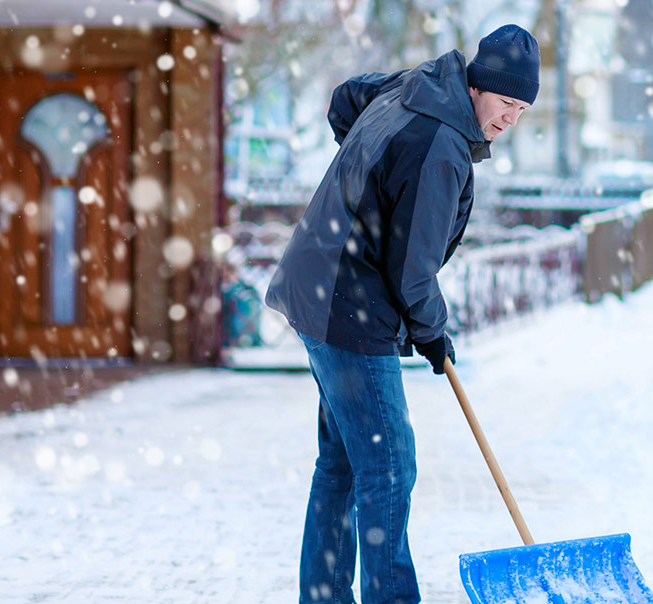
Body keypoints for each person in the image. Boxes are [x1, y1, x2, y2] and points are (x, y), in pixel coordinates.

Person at [264, 24, 539, 604]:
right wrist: (433, 334)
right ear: (478, 86)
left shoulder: (417, 87)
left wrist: (365, 186)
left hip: (318, 286)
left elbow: (346, 97)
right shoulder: (442, 146)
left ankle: (324, 596)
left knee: (342, 463)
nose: (511, 118)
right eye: (506, 102)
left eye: (522, 108)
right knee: (389, 466)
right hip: (347, 307)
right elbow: (413, 271)